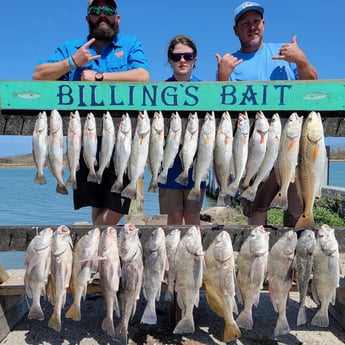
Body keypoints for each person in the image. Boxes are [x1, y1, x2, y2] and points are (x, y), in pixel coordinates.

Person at [33, 0, 149, 225]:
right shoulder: (72, 47)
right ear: (88, 18)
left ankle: (92, 241)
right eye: (96, 11)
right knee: (97, 204)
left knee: (119, 205)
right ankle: (99, 256)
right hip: (83, 138)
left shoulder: (129, 43)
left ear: (117, 17)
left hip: (122, 139)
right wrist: (72, 62)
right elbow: (38, 75)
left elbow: (143, 75)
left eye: (108, 11)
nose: (102, 15)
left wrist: (99, 77)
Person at [215, 2, 318, 226]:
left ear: (263, 24)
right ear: (236, 30)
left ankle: (292, 253)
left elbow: (312, 85)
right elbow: (220, 106)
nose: (252, 27)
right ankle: (255, 255)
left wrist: (302, 61)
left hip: (290, 142)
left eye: (256, 22)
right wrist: (222, 77)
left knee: (296, 202)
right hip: (255, 145)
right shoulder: (231, 63)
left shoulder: (284, 53)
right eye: (245, 23)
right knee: (257, 207)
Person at [158, 35, 206, 225]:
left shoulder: (206, 90)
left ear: (195, 59)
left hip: (198, 161)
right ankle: (171, 254)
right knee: (174, 217)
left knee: (193, 216)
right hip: (168, 163)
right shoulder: (160, 91)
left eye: (188, 56)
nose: (182, 61)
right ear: (170, 60)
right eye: (177, 57)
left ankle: (193, 254)